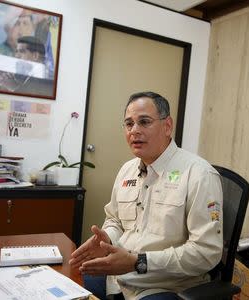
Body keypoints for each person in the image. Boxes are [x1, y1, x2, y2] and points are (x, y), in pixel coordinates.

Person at [69, 92, 223, 300]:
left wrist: (138, 262)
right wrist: (107, 240)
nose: (134, 131)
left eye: (144, 122)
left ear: (167, 126)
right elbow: (115, 220)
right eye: (129, 124)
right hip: (118, 277)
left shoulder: (199, 174)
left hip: (165, 286)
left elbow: (206, 252)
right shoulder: (127, 170)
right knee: (70, 284)